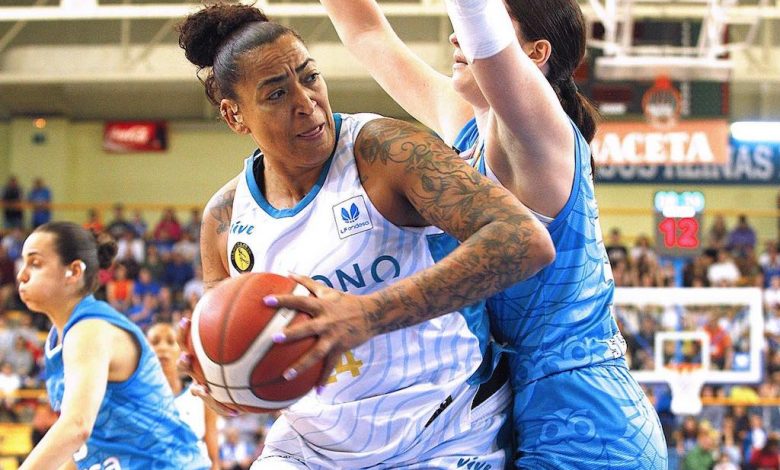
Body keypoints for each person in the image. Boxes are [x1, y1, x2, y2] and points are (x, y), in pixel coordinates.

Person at [177, 3, 554, 469]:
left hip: (444, 431)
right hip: (312, 448)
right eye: (276, 94)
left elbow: (524, 239)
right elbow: (229, 355)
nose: (306, 102)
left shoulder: (385, 150)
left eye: (310, 77)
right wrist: (218, 378)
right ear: (235, 116)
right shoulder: (225, 217)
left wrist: (368, 314)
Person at [314, 0, 667, 467]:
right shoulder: (468, 128)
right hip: (519, 411)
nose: (454, 36)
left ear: (537, 53)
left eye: (481, 27)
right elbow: (366, 33)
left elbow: (477, 20)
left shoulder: (541, 133)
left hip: (589, 420)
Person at [16, 221, 210, 470]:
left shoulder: (90, 330)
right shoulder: (60, 337)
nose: (22, 275)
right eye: (23, 263)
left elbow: (76, 427)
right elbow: (86, 446)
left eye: (35, 263)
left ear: (74, 271)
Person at [147, 322, 220, 470]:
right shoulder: (135, 399)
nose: (162, 347)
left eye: (170, 342)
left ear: (180, 351)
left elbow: (213, 459)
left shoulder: (200, 395)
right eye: (155, 342)